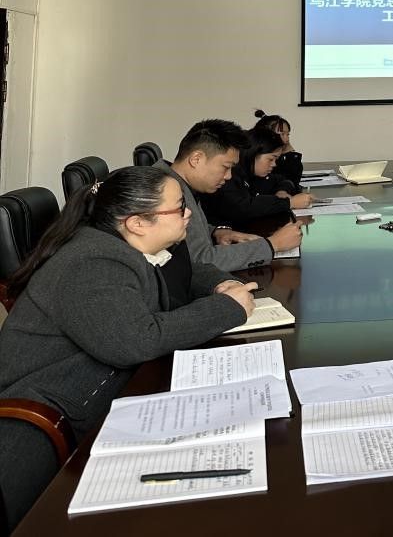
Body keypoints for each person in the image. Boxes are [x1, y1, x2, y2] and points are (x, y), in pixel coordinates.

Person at [0, 167, 255, 530]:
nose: (188, 214)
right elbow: (135, 341)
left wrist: (221, 285)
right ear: (137, 223)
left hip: (105, 391)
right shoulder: (93, 263)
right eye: (178, 207)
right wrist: (227, 309)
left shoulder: (128, 245)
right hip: (47, 424)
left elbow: (185, 271)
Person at [164, 118, 303, 272]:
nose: (229, 176)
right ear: (196, 159)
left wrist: (217, 232)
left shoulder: (177, 182)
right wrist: (272, 244)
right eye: (226, 167)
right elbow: (201, 261)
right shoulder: (164, 194)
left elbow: (191, 231)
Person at [200, 125, 313, 227]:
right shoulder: (230, 175)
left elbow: (283, 180)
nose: (274, 164)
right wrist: (289, 203)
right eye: (271, 159)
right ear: (253, 154)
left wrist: (282, 191)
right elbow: (243, 207)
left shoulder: (255, 174)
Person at [253, 108, 303, 193]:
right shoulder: (255, 160)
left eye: (288, 134)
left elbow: (291, 183)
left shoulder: (290, 159)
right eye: (282, 134)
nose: (286, 139)